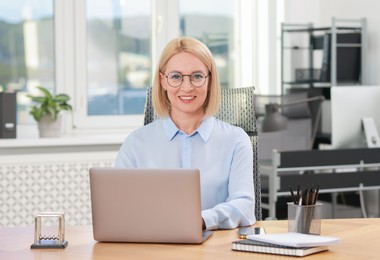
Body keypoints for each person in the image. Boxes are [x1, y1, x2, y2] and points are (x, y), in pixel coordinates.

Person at [115, 36, 255, 230]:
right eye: (176, 76)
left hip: (215, 246)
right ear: (162, 81)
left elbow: (244, 206)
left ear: (210, 80)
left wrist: (202, 220)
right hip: (152, 246)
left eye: (197, 76)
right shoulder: (136, 143)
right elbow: (117, 208)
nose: (187, 87)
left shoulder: (236, 140)